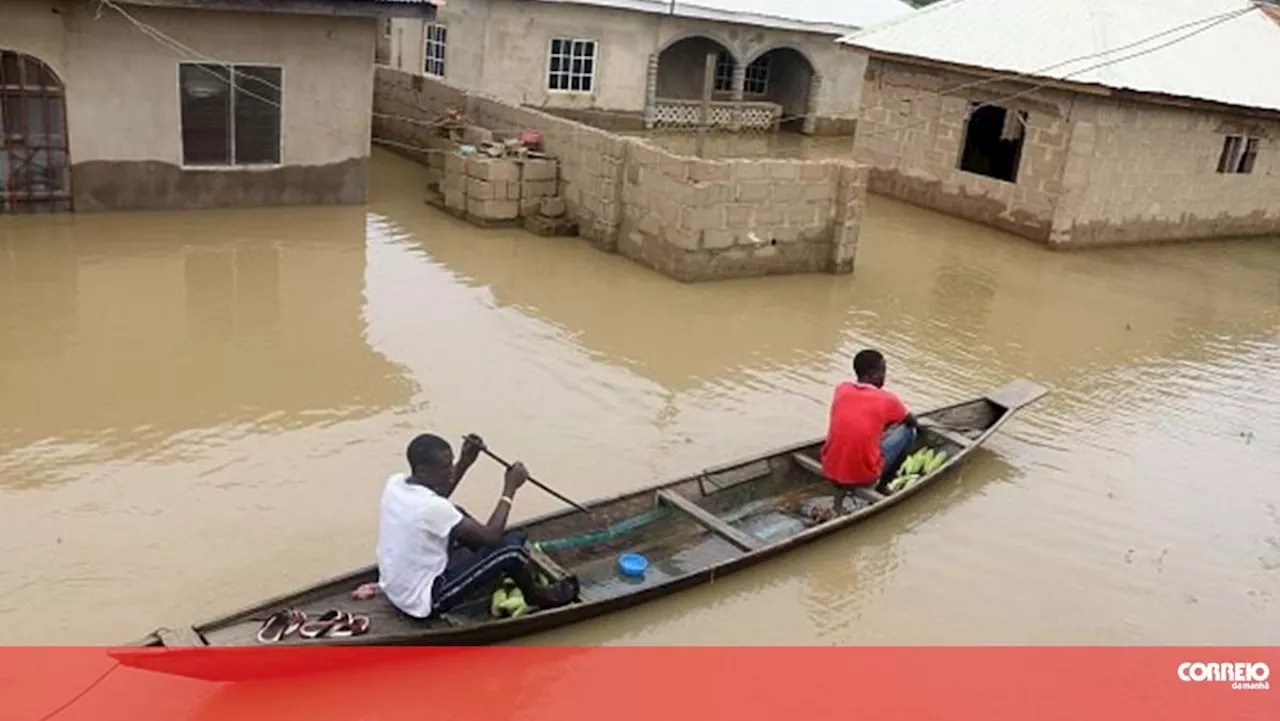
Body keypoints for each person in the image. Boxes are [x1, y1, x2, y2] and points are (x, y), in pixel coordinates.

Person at [376, 433, 579, 619]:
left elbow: (439, 498)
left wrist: (465, 462)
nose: (450, 470)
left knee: (459, 515)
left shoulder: (395, 483)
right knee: (512, 551)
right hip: (423, 599)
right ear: (422, 470)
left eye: (451, 463)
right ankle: (538, 596)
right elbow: (490, 536)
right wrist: (509, 489)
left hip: (395, 587)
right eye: (446, 467)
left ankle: (491, 567)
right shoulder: (431, 507)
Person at [820, 349, 918, 513]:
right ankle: (882, 485)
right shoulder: (888, 400)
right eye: (883, 372)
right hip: (864, 477)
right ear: (873, 374)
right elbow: (911, 421)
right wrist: (913, 423)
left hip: (829, 469)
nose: (884, 377)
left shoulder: (841, 389)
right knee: (909, 432)